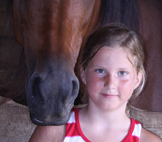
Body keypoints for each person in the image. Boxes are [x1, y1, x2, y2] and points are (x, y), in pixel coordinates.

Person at [29, 24, 162, 142]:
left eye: (122, 73)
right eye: (100, 71)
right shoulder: (55, 131)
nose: (110, 83)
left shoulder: (147, 140)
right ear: (83, 74)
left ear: (137, 80)